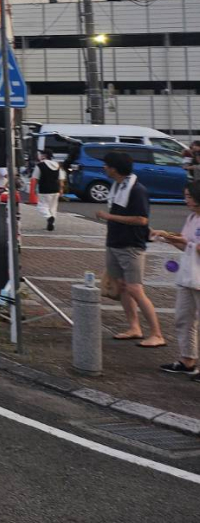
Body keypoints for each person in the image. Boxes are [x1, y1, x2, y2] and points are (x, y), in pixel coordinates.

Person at [96, 150, 166, 348]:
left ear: (114, 168)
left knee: (135, 288)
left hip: (131, 245)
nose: (104, 168)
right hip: (115, 242)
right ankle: (134, 327)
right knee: (123, 287)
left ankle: (157, 333)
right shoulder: (118, 187)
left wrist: (109, 217)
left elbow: (141, 219)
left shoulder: (136, 190)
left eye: (106, 165)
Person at [152, 181, 200, 377]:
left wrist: (186, 243)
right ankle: (187, 359)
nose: (186, 200)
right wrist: (169, 238)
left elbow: (193, 245)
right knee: (183, 318)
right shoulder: (191, 218)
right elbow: (186, 244)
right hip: (188, 275)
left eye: (189, 196)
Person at [34, 150, 64, 232]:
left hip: (44, 189)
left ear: (44, 156)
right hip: (55, 189)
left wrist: (34, 189)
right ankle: (51, 225)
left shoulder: (40, 165)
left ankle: (49, 217)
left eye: (41, 154)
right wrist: (61, 189)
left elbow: (35, 178)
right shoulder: (57, 165)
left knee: (41, 206)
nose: (40, 156)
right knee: (53, 208)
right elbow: (61, 179)